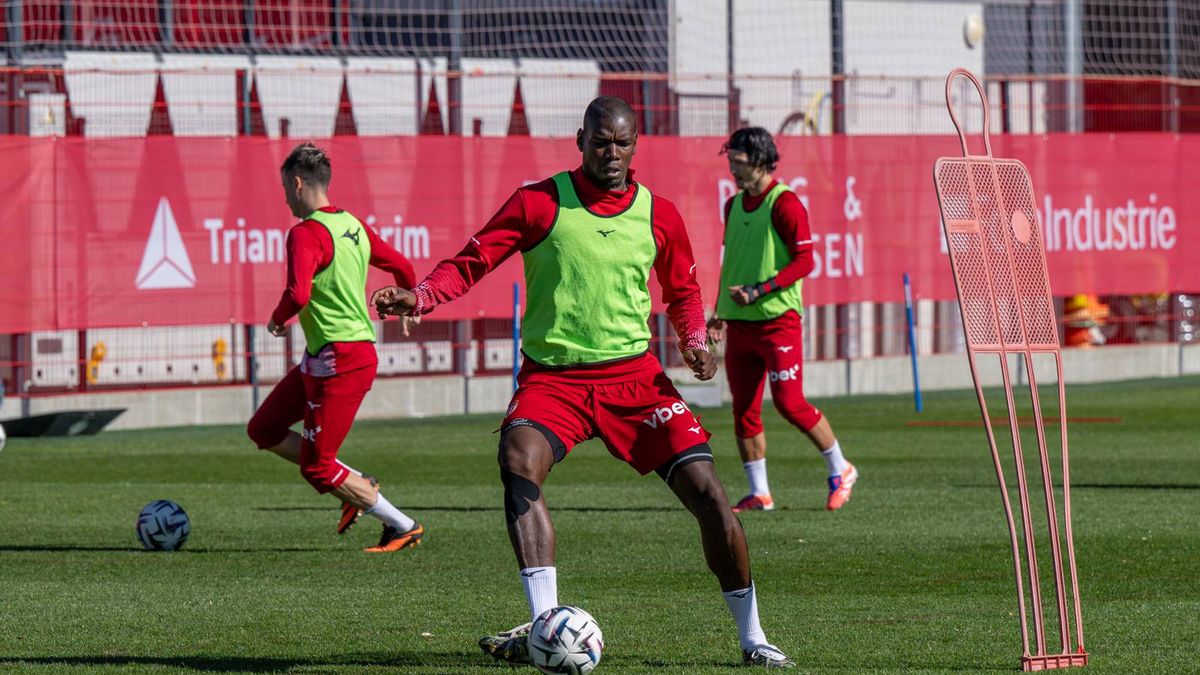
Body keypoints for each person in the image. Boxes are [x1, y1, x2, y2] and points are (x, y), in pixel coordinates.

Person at [371, 97, 794, 668]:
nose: (611, 153)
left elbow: (683, 292)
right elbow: (472, 260)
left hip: (636, 379)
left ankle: (753, 637)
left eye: (621, 143)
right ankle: (546, 624)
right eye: (600, 141)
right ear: (580, 139)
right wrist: (420, 295)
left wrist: (695, 341)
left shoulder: (659, 213)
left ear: (635, 144)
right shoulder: (538, 203)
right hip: (555, 381)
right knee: (518, 460)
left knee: (711, 496)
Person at [246, 142, 425, 553]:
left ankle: (403, 525)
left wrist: (276, 319)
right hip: (325, 357)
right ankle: (357, 485)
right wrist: (408, 299)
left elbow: (298, 293)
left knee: (316, 467)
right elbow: (401, 264)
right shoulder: (352, 226)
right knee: (264, 429)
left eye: (284, 189)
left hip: (343, 360)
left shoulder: (305, 233)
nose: (285, 198)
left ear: (295, 184)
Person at [707, 127, 858, 513]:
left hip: (778, 322)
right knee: (743, 410)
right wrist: (719, 312)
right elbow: (732, 262)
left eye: (738, 163)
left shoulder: (785, 203)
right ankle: (760, 493)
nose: (733, 171)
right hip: (739, 322)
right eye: (730, 163)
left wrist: (760, 290)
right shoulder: (733, 205)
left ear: (759, 160)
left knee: (790, 404)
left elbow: (806, 260)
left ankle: (841, 469)